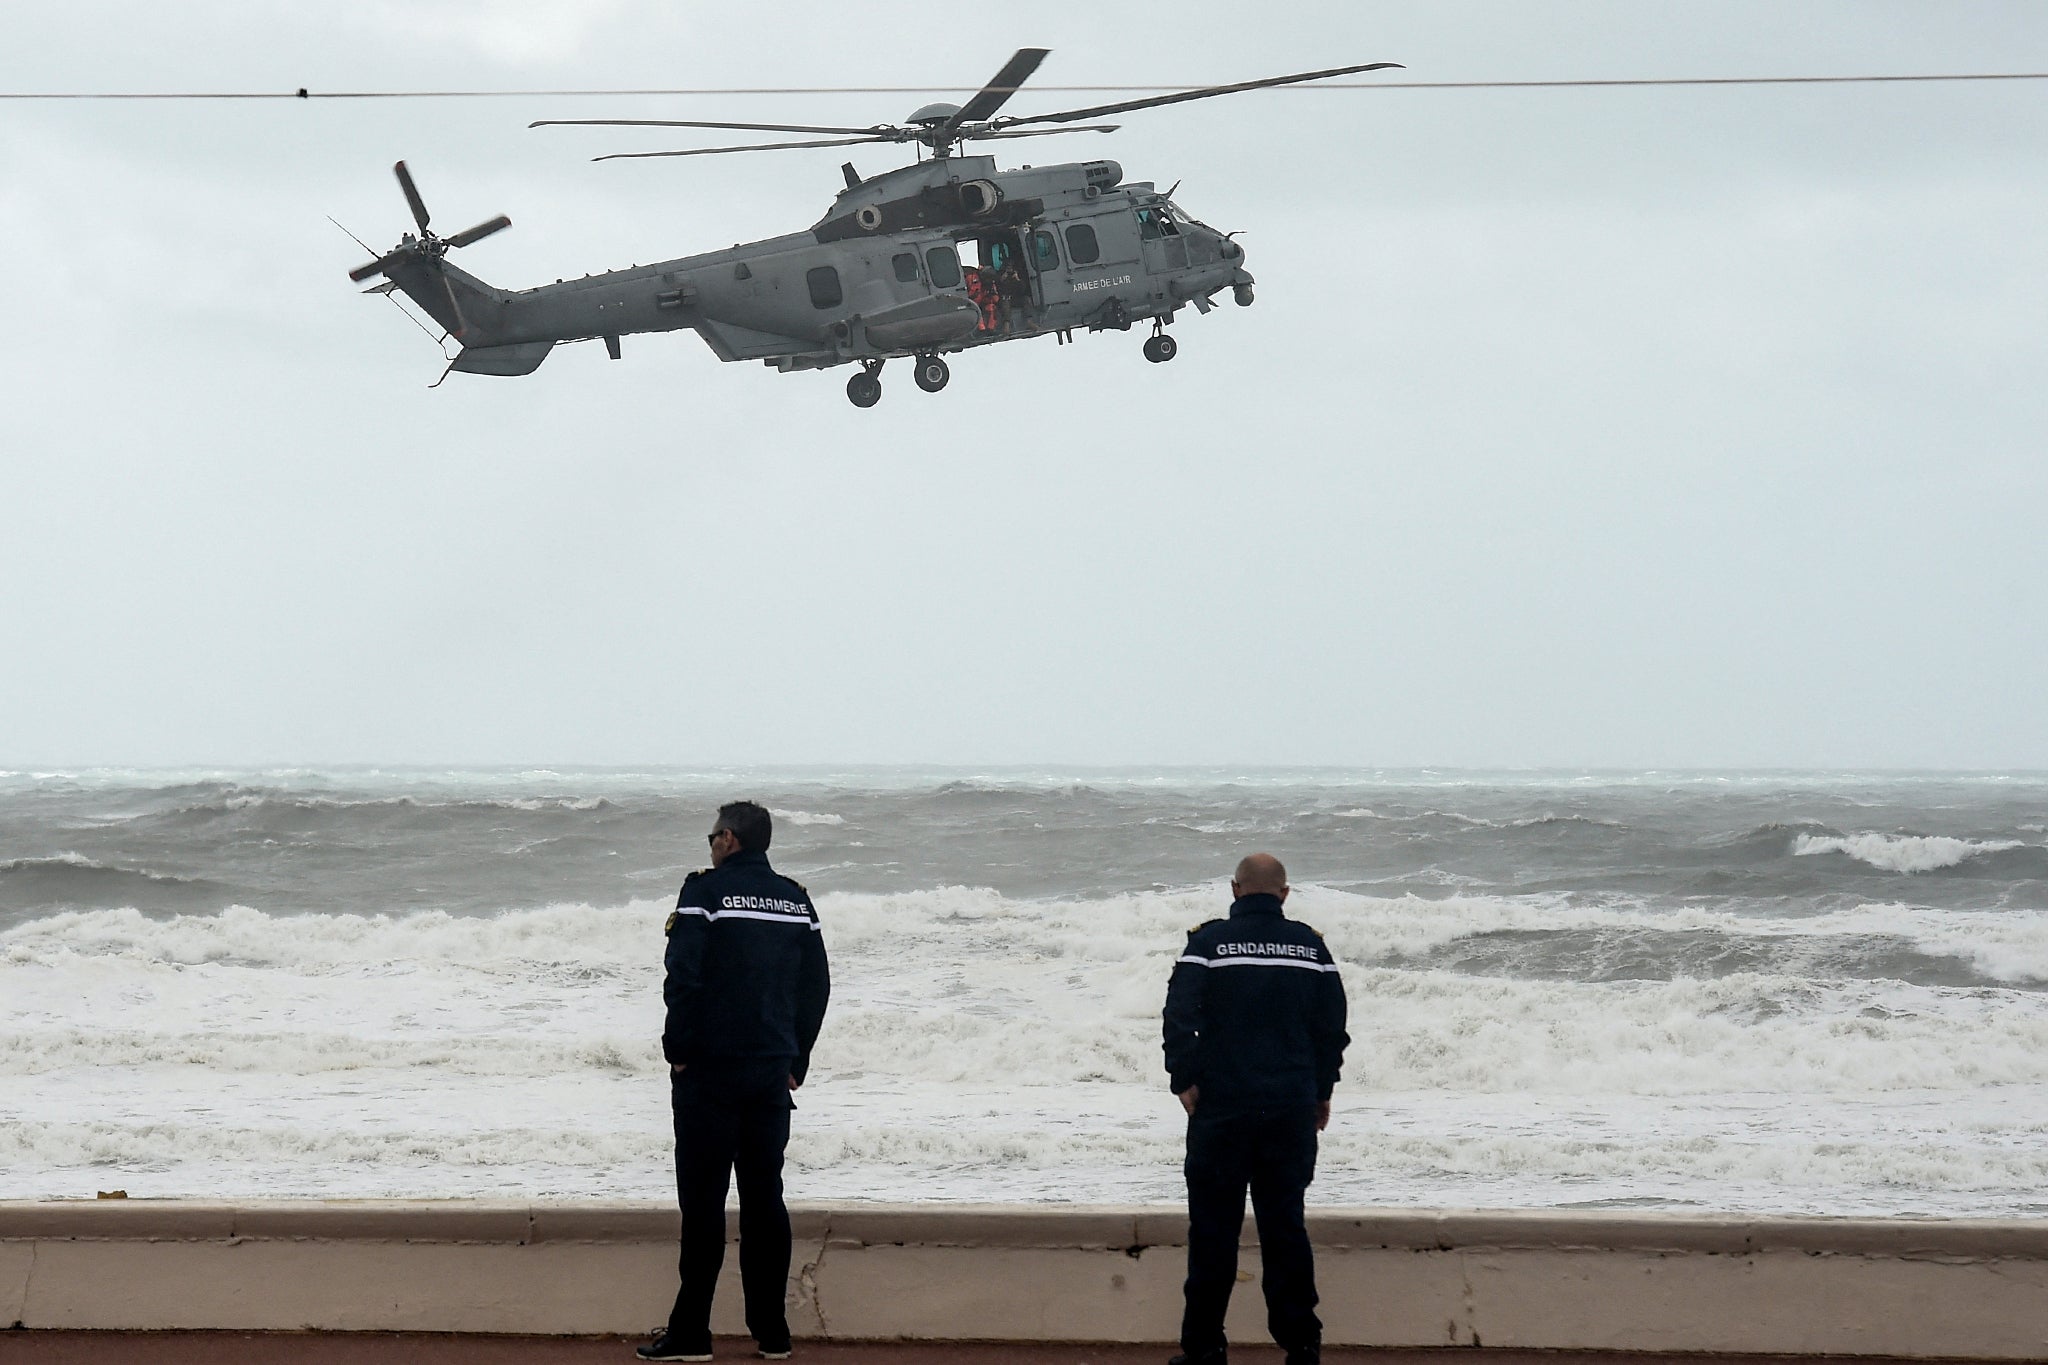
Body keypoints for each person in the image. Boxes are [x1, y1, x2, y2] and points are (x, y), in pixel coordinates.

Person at [641, 801, 831, 1364]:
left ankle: (692, 1335)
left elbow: (684, 976)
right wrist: (797, 1058)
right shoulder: (795, 899)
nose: (709, 845)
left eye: (711, 835)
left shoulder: (705, 893)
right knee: (765, 1198)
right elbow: (816, 987)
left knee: (703, 1205)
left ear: (728, 839)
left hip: (710, 1073)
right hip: (771, 1071)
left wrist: (678, 1051)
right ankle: (772, 1334)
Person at [1161, 853, 1349, 1365]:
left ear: (1235, 889)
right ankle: (1302, 1344)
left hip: (1222, 1109)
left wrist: (1185, 1079)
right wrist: (1322, 1089)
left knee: (1213, 1229)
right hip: (1289, 1109)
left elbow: (1179, 1014)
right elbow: (1332, 1027)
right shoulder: (1311, 947)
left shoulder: (1207, 943)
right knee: (1285, 1226)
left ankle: (1203, 1349)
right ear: (1285, 894)